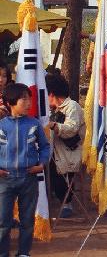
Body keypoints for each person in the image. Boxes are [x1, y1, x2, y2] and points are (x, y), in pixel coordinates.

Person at [0, 83, 51, 257]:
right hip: (5, 180)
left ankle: (23, 253)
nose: (29, 102)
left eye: (29, 98)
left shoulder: (34, 124)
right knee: (3, 221)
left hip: (28, 178)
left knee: (27, 220)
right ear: (10, 102)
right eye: (24, 99)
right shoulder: (1, 125)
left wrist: (41, 164)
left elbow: (45, 147)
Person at [45, 74, 85, 219]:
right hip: (56, 151)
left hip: (70, 152)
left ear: (50, 93)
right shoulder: (53, 110)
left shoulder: (72, 106)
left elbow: (71, 129)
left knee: (55, 168)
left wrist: (53, 125)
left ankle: (66, 202)